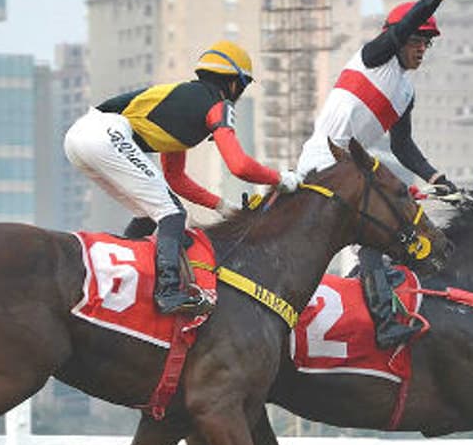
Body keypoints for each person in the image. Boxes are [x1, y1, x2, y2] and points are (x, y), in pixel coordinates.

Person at [297, 0, 471, 348]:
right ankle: (376, 304)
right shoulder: (373, 58)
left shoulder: (406, 94)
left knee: (389, 231)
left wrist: (437, 178)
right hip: (322, 165)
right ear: (399, 39)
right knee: (384, 220)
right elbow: (407, 23)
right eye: (418, 41)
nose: (422, 49)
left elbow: (402, 147)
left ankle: (375, 303)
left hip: (351, 175)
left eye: (428, 43)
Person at [65, 40, 302, 316]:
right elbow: (239, 165)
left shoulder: (187, 102)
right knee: (172, 214)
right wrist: (280, 179)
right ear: (235, 84)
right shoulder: (217, 103)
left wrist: (222, 206)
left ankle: (122, 274)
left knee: (150, 213)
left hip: (80, 139)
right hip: (104, 135)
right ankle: (168, 292)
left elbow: (175, 178)